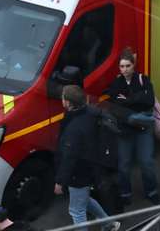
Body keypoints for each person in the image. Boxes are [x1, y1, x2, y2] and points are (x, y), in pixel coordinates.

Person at [54, 86, 119, 231]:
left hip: (78, 173)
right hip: (91, 166)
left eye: (63, 98)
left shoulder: (74, 128)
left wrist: (60, 181)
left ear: (68, 103)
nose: (61, 100)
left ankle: (109, 224)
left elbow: (69, 157)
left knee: (76, 211)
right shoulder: (91, 113)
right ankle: (109, 224)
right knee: (84, 200)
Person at [105, 49, 160, 205]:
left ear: (133, 65)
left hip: (141, 128)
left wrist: (127, 100)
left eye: (127, 66)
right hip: (126, 130)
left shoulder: (143, 79)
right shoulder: (116, 84)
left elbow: (149, 101)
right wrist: (137, 100)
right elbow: (115, 107)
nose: (125, 69)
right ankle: (125, 193)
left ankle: (151, 191)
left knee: (147, 162)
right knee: (124, 165)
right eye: (122, 66)